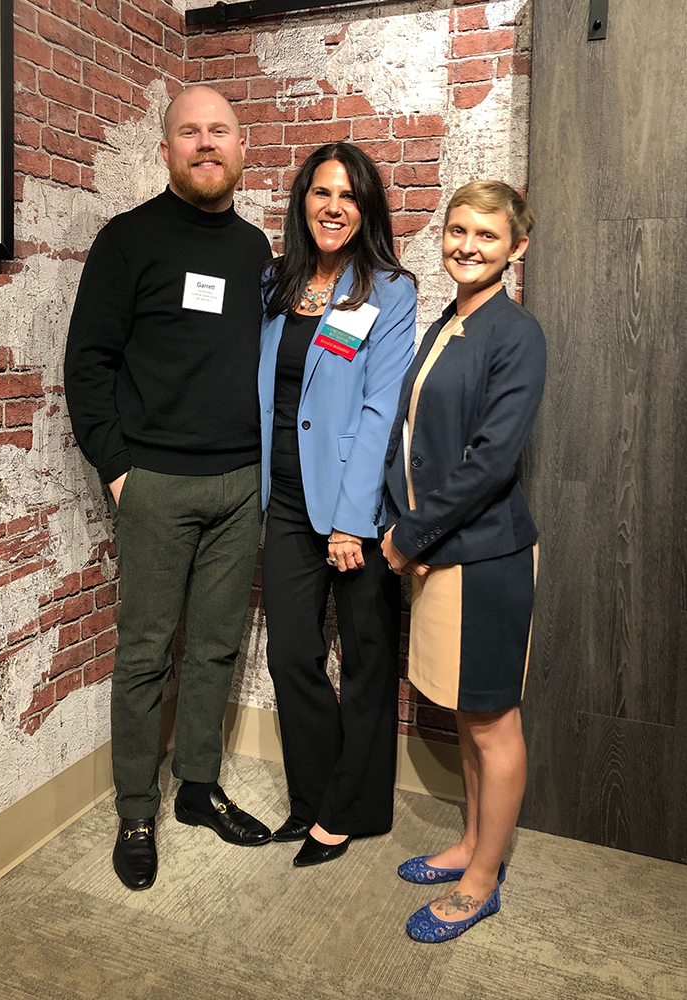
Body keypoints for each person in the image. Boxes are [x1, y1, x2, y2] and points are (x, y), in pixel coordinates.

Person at [64, 85, 274, 892]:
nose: (206, 143)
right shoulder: (128, 241)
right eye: (189, 131)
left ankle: (196, 787)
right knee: (146, 653)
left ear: (240, 146)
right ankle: (135, 810)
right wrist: (120, 471)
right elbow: (88, 366)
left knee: (217, 644)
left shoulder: (257, 251)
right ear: (165, 151)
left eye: (219, 129)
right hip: (154, 485)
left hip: (238, 485)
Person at [381, 181, 546, 941]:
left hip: (485, 556)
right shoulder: (451, 320)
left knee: (491, 720)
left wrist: (409, 537)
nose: (466, 246)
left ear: (515, 249)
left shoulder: (516, 332)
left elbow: (487, 463)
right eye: (456, 231)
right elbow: (414, 434)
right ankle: (474, 844)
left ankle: (483, 880)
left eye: (486, 235)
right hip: (444, 551)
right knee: (467, 714)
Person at [258, 142, 417, 867]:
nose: (333, 207)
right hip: (285, 500)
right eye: (321, 193)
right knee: (292, 650)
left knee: (365, 658)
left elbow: (381, 410)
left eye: (349, 196)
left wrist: (354, 519)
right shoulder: (277, 282)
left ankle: (350, 810)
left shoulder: (389, 289)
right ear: (303, 202)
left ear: (367, 209)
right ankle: (314, 794)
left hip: (355, 504)